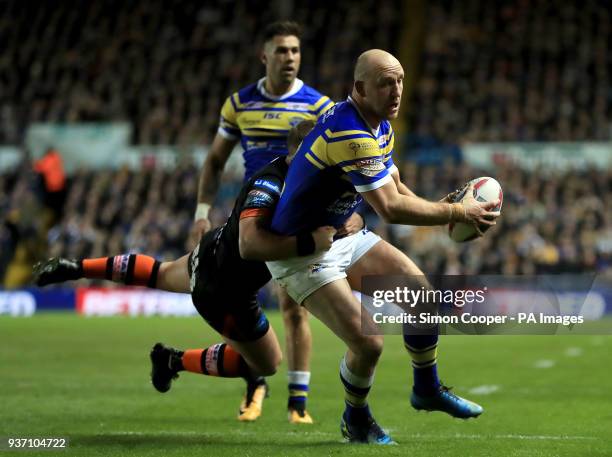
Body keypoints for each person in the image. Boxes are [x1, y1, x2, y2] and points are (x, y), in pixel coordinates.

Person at [33, 122, 362, 423]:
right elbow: (251, 244)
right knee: (265, 363)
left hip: (212, 252)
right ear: (305, 152)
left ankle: (75, 267)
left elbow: (344, 213)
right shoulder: (271, 183)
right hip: (226, 290)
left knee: (159, 274)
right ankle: (175, 361)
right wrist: (310, 241)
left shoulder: (306, 184)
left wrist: (351, 221)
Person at [265, 49, 501, 444]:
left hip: (342, 235)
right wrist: (456, 213)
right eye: (385, 83)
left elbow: (393, 185)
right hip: (299, 252)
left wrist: (445, 211)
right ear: (359, 88)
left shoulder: (379, 126)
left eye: (400, 81)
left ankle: (426, 389)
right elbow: (389, 207)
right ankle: (356, 419)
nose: (396, 91)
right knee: (369, 341)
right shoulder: (349, 133)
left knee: (421, 295)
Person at [190, 20, 337, 424]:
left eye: (295, 50)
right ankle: (255, 384)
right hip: (252, 213)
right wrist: (201, 215)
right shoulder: (239, 104)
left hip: (296, 216)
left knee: (294, 307)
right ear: (264, 55)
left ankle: (298, 403)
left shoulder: (319, 105)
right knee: (238, 303)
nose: (289, 57)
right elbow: (216, 160)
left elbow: (338, 161)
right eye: (281, 50)